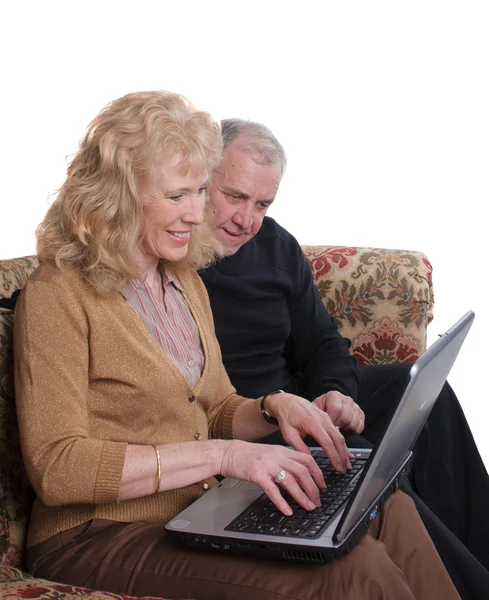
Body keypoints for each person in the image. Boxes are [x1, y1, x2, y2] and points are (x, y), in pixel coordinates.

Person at [13, 91, 459, 600]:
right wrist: (224, 457)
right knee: (354, 574)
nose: (195, 212)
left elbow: (220, 406)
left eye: (202, 191)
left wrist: (273, 408)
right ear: (119, 193)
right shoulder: (58, 294)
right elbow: (58, 468)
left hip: (197, 510)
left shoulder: (181, 280)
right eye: (178, 195)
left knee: (386, 510)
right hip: (95, 536)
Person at [200, 119, 489, 595]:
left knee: (425, 397)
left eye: (263, 203)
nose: (246, 220)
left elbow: (324, 342)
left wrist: (336, 391)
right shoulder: (172, 261)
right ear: (200, 178)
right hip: (248, 426)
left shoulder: (274, 245)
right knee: (374, 471)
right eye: (234, 196)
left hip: (298, 405)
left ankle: (480, 551)